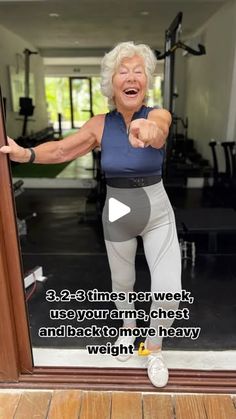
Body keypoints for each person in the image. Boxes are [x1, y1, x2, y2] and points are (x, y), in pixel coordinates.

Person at [0, 41, 182, 388]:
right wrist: (26, 154)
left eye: (138, 71)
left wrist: (146, 132)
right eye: (123, 72)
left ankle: (154, 348)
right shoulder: (100, 124)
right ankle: (128, 331)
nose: (131, 77)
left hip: (157, 210)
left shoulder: (158, 114)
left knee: (169, 290)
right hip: (117, 209)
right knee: (123, 283)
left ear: (147, 80)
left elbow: (159, 132)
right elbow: (63, 148)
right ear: (112, 84)